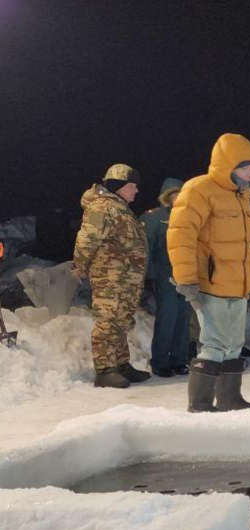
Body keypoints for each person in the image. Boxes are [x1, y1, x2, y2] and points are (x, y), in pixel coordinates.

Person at [168, 133, 250, 412]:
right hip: (211, 284)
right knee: (215, 344)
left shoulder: (241, 195)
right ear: (230, 166)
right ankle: (199, 403)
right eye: (247, 169)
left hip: (237, 285)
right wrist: (187, 279)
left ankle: (230, 398)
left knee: (234, 344)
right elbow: (181, 236)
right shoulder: (199, 189)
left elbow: (243, 246)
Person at [72, 164, 149, 388]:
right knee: (108, 320)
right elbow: (87, 239)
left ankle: (121, 364)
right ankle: (105, 370)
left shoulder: (120, 208)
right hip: (110, 278)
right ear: (120, 185)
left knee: (121, 321)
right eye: (133, 185)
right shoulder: (102, 207)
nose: (136, 190)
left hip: (125, 279)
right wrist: (79, 265)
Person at [141, 178, 191, 377]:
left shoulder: (189, 216)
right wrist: (151, 276)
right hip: (165, 274)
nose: (178, 198)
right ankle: (160, 361)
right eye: (174, 194)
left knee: (183, 318)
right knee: (167, 318)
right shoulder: (155, 218)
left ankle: (179, 359)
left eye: (181, 194)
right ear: (167, 197)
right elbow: (146, 248)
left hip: (186, 275)